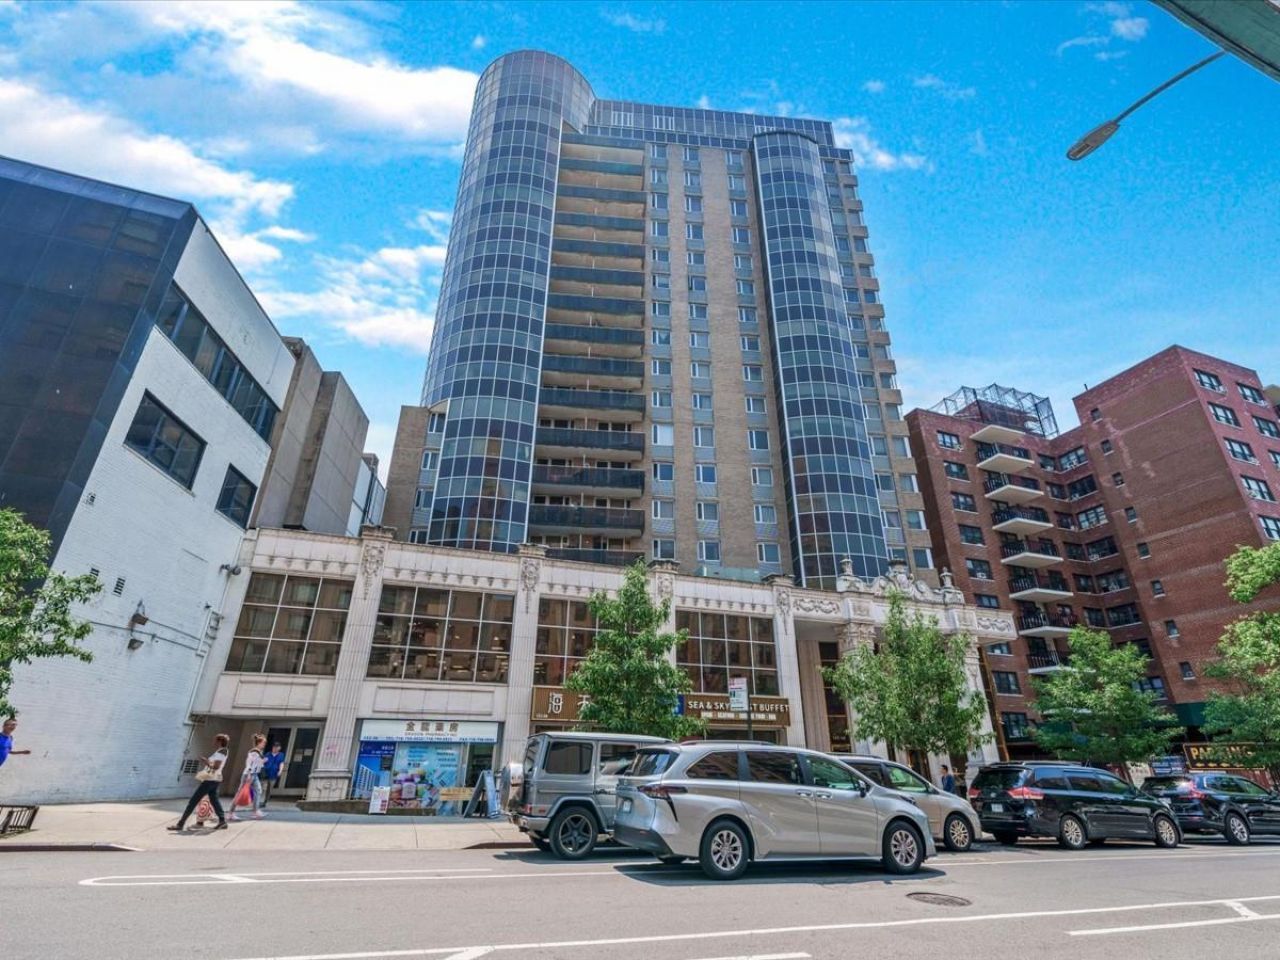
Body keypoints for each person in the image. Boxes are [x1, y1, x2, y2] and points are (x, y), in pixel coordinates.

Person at [169, 734, 230, 831]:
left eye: (215, 740)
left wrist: (206, 761)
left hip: (210, 780)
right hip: (215, 779)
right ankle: (222, 821)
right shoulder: (222, 751)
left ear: (220, 741)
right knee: (214, 800)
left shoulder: (221, 752)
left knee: (193, 801)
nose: (213, 742)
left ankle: (180, 824)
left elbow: (216, 767)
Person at [228, 734, 266, 821]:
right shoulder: (254, 752)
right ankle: (231, 813)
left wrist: (262, 762)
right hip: (249, 774)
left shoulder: (259, 752)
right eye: (263, 742)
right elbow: (249, 763)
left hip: (254, 774)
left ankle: (255, 811)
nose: (264, 744)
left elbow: (257, 764)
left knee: (258, 791)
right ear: (259, 743)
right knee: (240, 793)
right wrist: (249, 773)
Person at [259, 742, 286, 808]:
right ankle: (260, 801)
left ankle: (265, 802)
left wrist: (280, 771)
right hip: (266, 773)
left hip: (274, 774)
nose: (275, 748)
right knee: (264, 788)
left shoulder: (281, 755)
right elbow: (262, 762)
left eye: (276, 747)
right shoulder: (268, 754)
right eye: (274, 747)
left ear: (279, 748)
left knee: (269, 789)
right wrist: (263, 761)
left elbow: (281, 763)